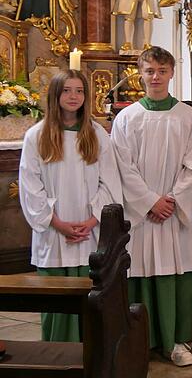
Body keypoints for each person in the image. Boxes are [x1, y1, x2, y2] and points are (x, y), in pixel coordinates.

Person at [111, 46, 192, 367]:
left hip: (174, 214)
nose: (155, 77)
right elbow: (121, 167)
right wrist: (150, 201)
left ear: (171, 73)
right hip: (144, 216)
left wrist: (172, 200)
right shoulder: (126, 118)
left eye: (161, 71)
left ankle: (176, 341)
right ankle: (141, 342)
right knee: (141, 269)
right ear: (140, 73)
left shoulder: (187, 116)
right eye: (149, 71)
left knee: (175, 271)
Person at [19, 70, 122, 342]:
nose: (73, 96)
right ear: (55, 95)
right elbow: (31, 187)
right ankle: (55, 354)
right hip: (53, 233)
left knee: (89, 299)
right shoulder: (36, 136)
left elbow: (110, 183)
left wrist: (91, 221)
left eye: (79, 91)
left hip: (89, 233)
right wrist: (58, 223)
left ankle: (89, 357)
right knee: (55, 305)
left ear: (86, 97)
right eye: (66, 90)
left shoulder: (97, 135)